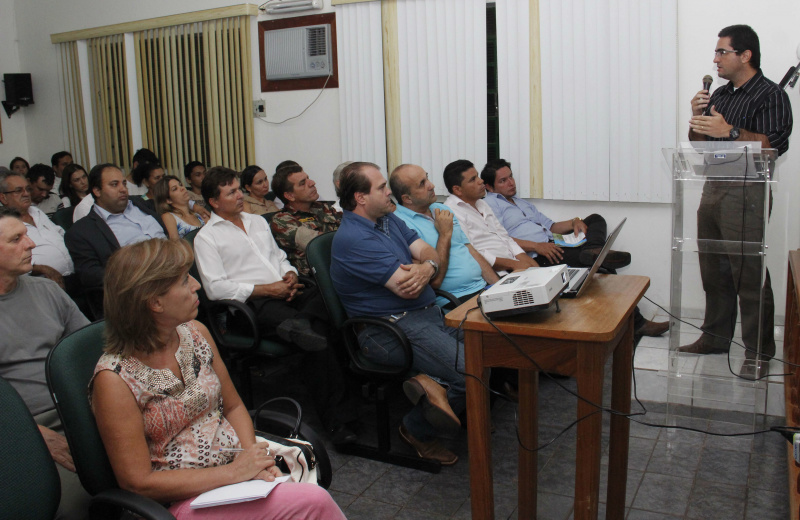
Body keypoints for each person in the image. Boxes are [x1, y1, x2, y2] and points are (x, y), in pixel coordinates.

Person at [90, 238, 345, 519]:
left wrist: (253, 459)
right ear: (155, 302)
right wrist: (234, 472)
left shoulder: (195, 332)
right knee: (314, 503)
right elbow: (137, 483)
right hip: (184, 499)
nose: (196, 285)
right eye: (183, 281)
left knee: (305, 497)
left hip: (235, 472)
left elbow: (234, 406)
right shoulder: (114, 380)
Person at [194, 167, 358, 445]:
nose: (239, 195)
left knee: (330, 297)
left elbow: (279, 257)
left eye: (239, 189)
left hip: (287, 292)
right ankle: (337, 424)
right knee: (318, 341)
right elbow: (215, 288)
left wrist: (289, 275)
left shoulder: (257, 222)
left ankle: (301, 323)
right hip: (251, 306)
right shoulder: (206, 238)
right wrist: (266, 290)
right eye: (231, 192)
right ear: (213, 201)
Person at [331, 162, 465, 465]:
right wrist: (425, 270)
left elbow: (427, 252)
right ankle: (415, 429)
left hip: (424, 316)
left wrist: (427, 267)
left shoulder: (387, 219)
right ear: (360, 197)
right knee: (470, 371)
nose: (388, 191)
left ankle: (434, 385)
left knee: (489, 347)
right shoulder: (354, 238)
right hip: (388, 331)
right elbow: (409, 289)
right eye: (380, 187)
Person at [679, 25, 793, 379]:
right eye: (715, 53)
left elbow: (773, 145)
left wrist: (728, 132)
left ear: (745, 55)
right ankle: (714, 337)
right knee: (714, 270)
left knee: (749, 274)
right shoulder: (722, 95)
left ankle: (758, 353)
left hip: (748, 190)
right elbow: (699, 142)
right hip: (714, 186)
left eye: (722, 52)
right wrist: (697, 119)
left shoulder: (770, 95)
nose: (715, 59)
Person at [0, 207, 92, 520]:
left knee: (150, 474)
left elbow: (89, 353)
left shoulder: (47, 290)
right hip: (22, 426)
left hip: (81, 407)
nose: (31, 244)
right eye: (17, 239)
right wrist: (32, 432)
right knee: (74, 504)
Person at [481, 159, 631, 270]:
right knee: (602, 266)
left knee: (595, 219)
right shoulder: (490, 204)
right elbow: (499, 239)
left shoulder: (521, 202)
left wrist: (574, 221)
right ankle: (594, 254)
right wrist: (537, 246)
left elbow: (551, 226)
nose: (511, 183)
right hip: (541, 254)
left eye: (511, 177)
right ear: (489, 187)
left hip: (556, 242)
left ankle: (593, 250)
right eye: (503, 180)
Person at [390, 163, 498, 305]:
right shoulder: (399, 224)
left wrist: (500, 287)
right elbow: (435, 281)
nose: (432, 185)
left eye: (427, 178)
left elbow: (470, 250)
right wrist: (445, 235)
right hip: (454, 298)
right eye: (422, 184)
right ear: (407, 198)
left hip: (482, 288)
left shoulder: (441, 208)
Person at [65, 163, 167, 304]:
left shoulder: (141, 203)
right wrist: (140, 275)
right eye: (114, 185)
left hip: (173, 267)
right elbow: (91, 276)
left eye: (124, 183)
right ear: (97, 191)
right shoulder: (82, 232)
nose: (123, 189)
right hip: (142, 290)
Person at [442, 160, 539, 274]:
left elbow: (505, 237)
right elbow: (473, 253)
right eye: (473, 179)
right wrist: (515, 264)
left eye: (477, 176)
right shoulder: (450, 212)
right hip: (494, 274)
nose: (481, 181)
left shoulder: (481, 203)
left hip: (513, 264)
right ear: (457, 189)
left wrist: (530, 264)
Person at [0, 171, 75, 293]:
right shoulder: (4, 224)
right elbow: (7, 262)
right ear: (3, 197)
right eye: (19, 190)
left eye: (27, 189)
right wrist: (42, 268)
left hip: (71, 279)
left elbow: (60, 235)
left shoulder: (37, 212)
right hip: (40, 287)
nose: (26, 194)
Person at [270, 164, 341, 276]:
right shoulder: (281, 220)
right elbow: (321, 244)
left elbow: (350, 229)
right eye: (303, 183)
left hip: (341, 267)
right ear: (290, 195)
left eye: (308, 178)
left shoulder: (323, 207)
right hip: (317, 280)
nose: (312, 183)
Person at [154, 176, 206, 240]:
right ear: (168, 200)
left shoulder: (198, 215)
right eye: (175, 189)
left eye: (180, 185)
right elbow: (175, 243)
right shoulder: (168, 216)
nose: (182, 188)